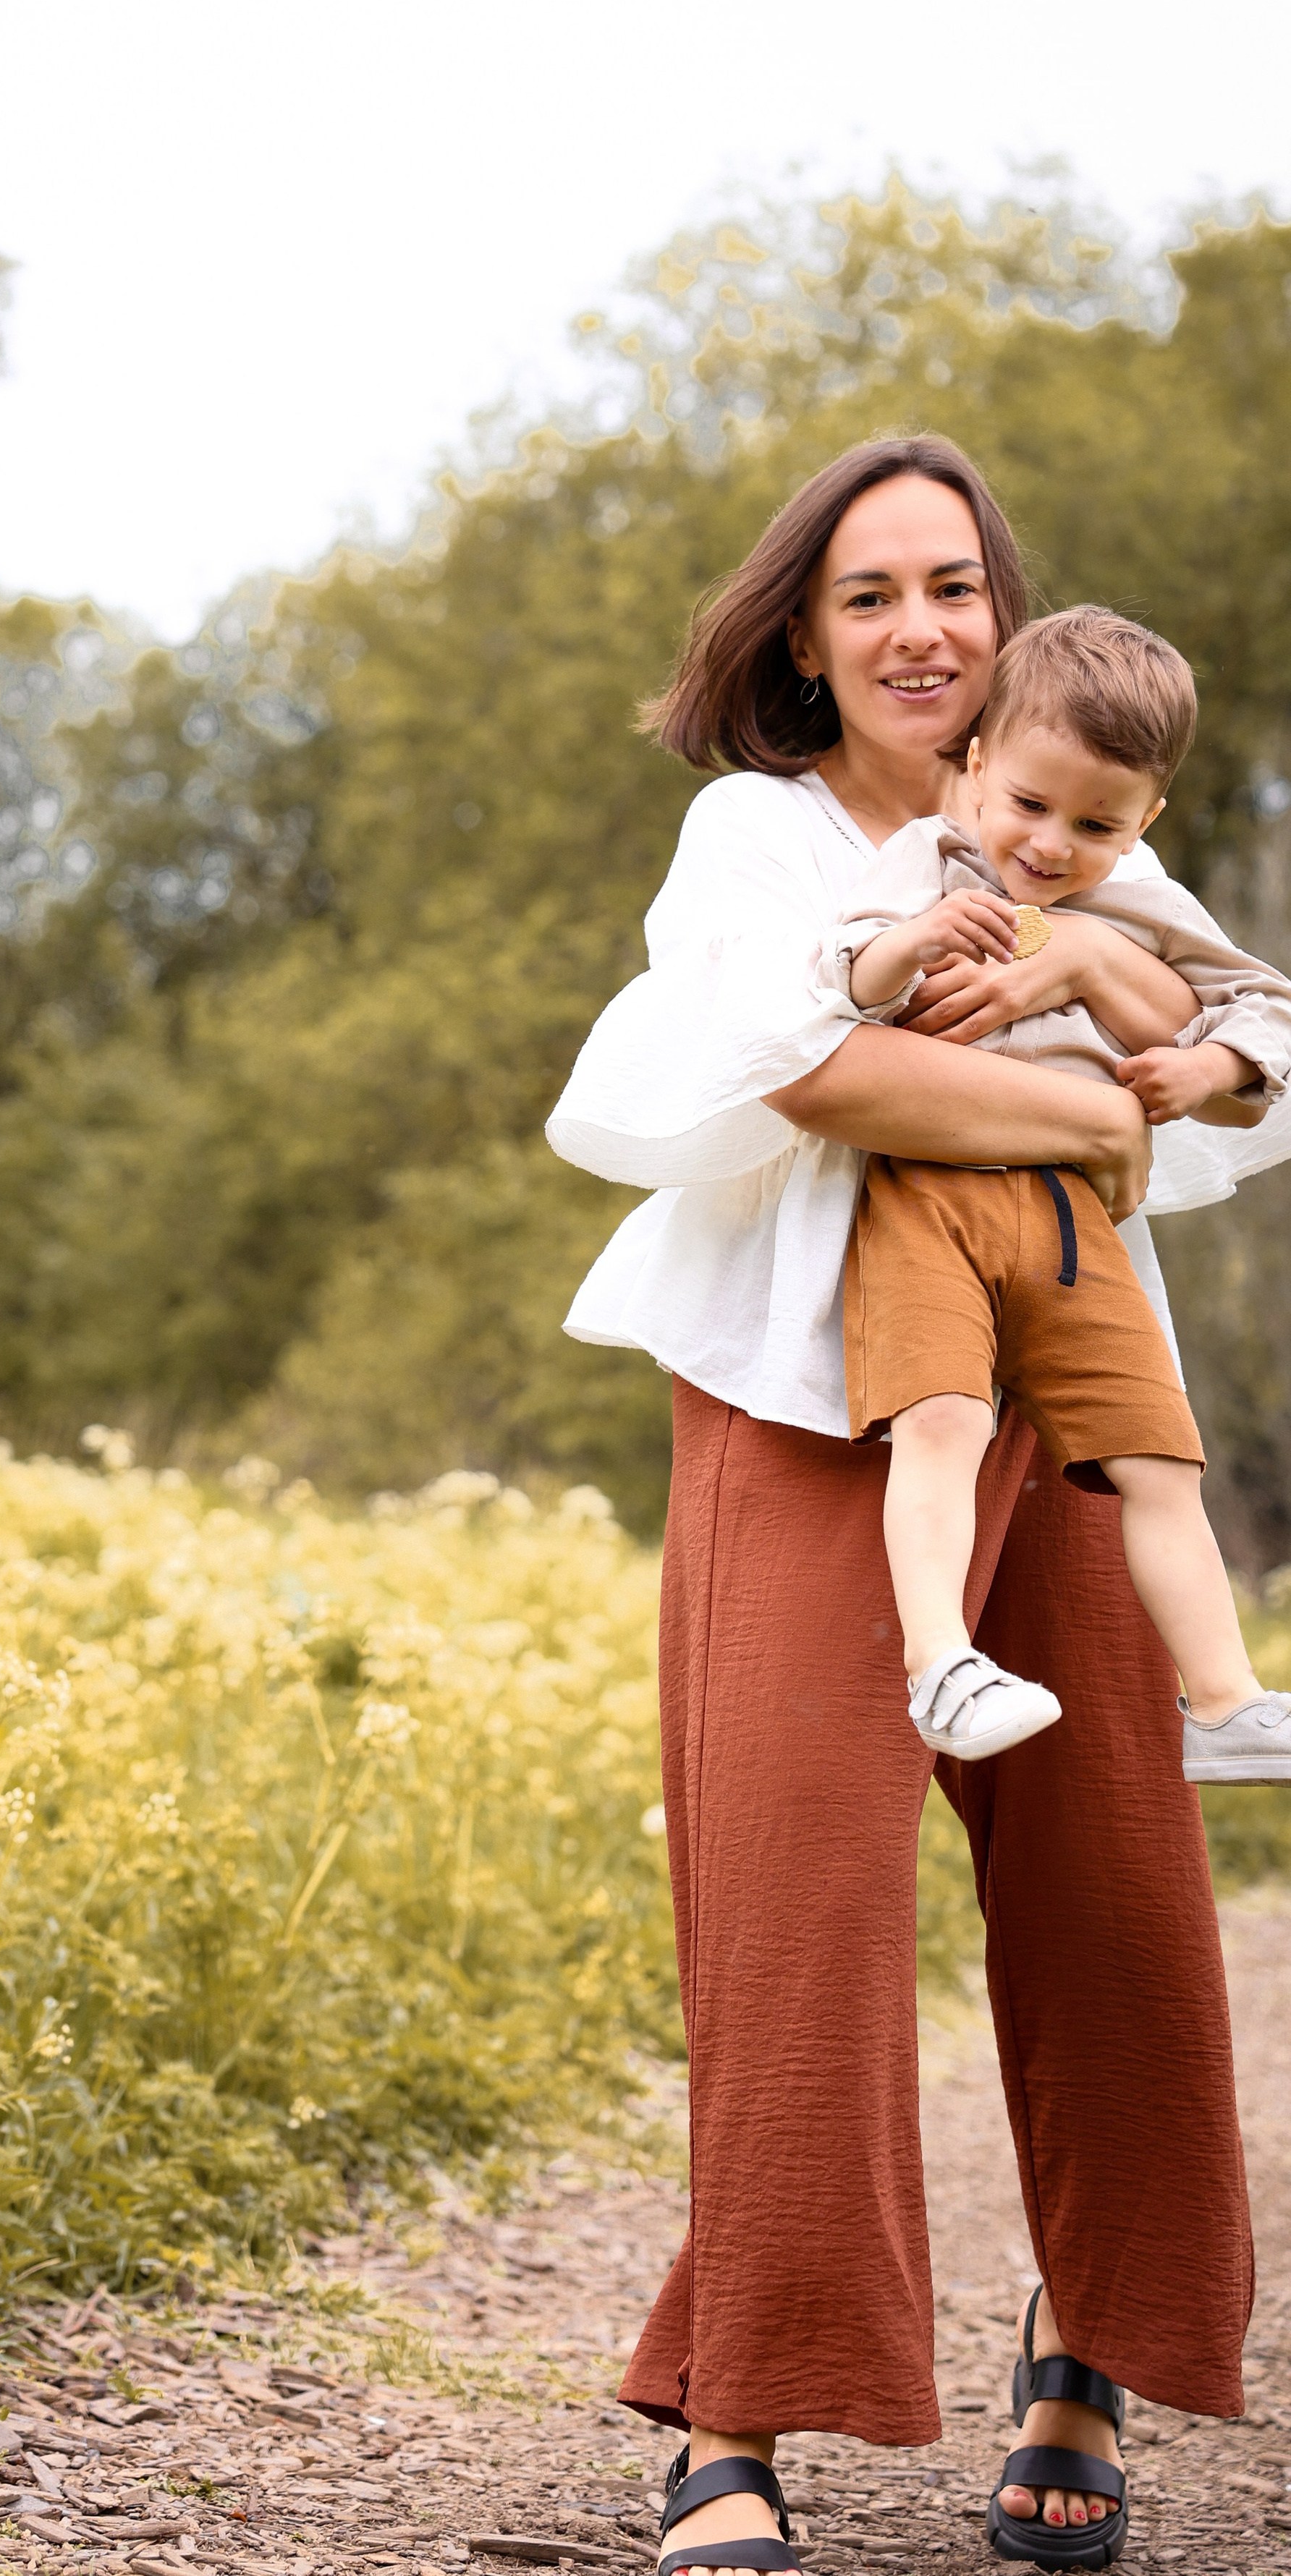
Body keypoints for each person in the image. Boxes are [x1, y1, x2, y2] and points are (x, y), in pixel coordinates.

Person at [545, 436, 1282, 2575]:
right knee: (799, 1893)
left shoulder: (1077, 823)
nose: (920, 629)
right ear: (803, 629)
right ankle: (737, 2410)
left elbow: (1263, 1038)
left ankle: (1092, 2355)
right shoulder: (758, 839)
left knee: (1118, 1887)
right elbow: (817, 1077)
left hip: (1054, 1371)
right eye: (870, 594)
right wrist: (1093, 1091)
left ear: (1006, 615)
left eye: (954, 586)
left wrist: (1160, 1022)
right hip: (800, 1401)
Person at [823, 605, 1291, 1780]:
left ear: (1148, 821)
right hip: (927, 1192)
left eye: (1097, 823)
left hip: (1079, 1223)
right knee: (941, 1423)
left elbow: (1267, 1008)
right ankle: (943, 1662)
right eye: (1029, 803)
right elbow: (839, 976)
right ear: (976, 761)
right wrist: (914, 940)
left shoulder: (1142, 900)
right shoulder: (929, 860)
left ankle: (1226, 1704)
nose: (1051, 846)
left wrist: (1209, 1063)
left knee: (1160, 1457)